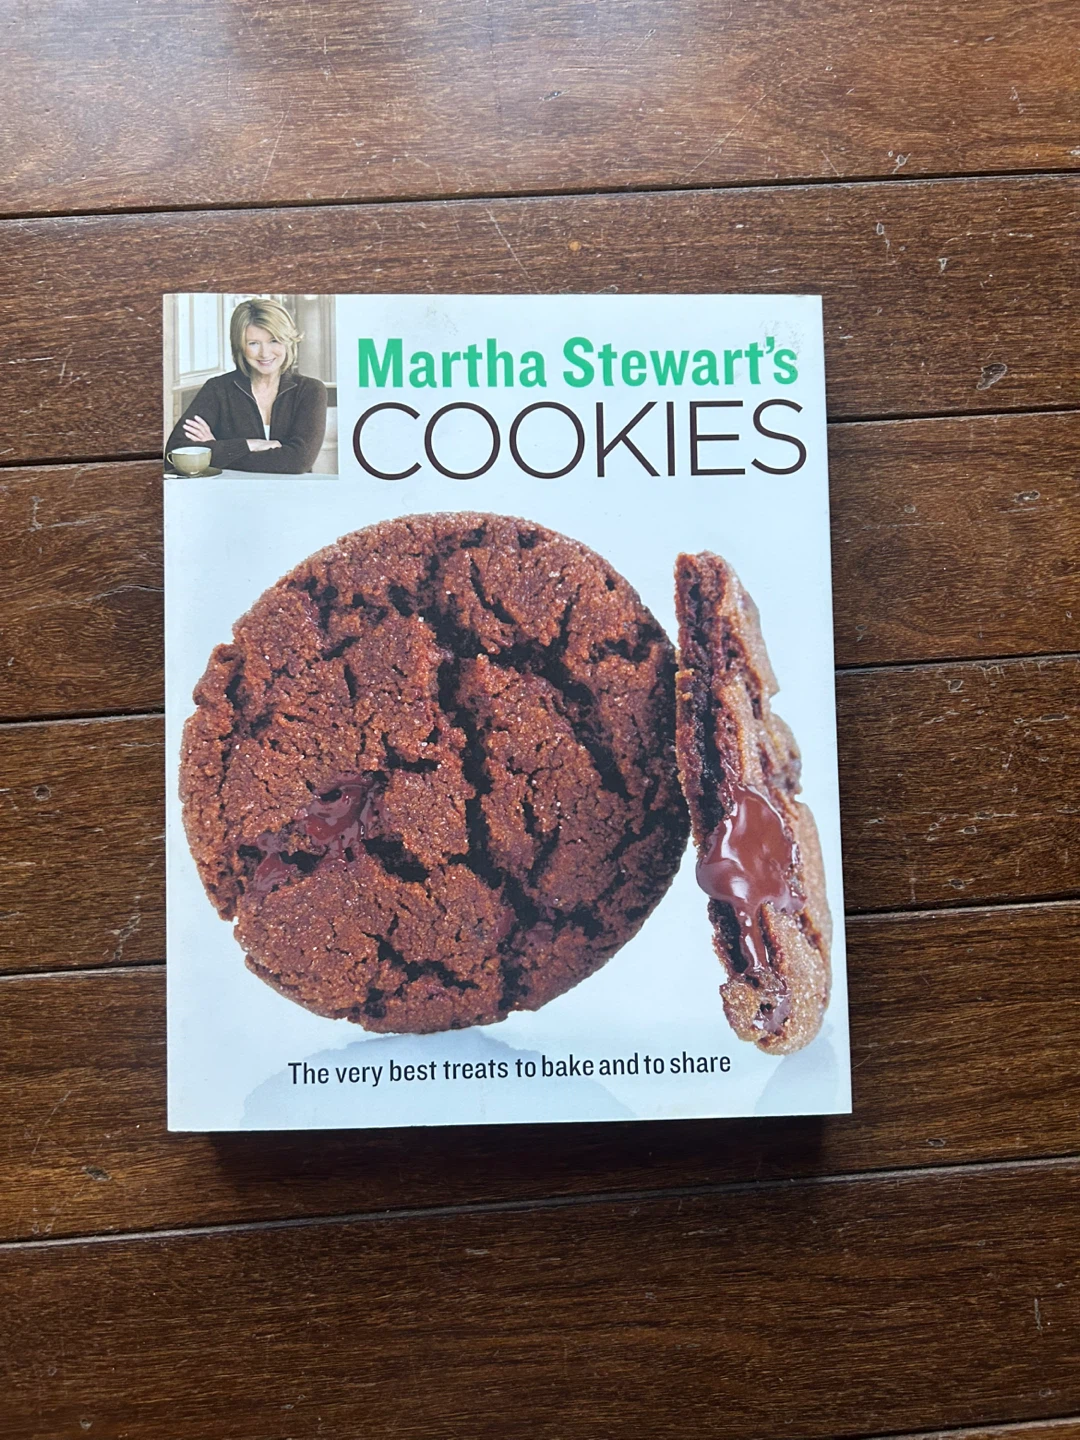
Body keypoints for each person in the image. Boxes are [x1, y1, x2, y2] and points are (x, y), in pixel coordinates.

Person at [166, 297, 328, 474]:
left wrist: (217, 449)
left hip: (292, 491)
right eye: (253, 343)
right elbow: (174, 455)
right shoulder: (217, 389)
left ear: (288, 341)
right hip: (231, 491)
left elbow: (298, 461)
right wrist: (250, 445)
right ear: (240, 346)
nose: (265, 353)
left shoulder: (310, 390)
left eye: (274, 340)